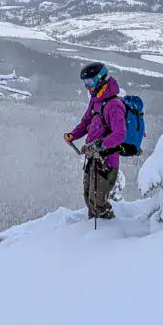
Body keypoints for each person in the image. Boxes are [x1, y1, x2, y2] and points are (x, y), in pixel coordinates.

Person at [64, 62, 126, 219]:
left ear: (101, 79)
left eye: (90, 82)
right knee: (89, 196)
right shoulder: (95, 101)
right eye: (85, 83)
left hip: (107, 162)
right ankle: (93, 234)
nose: (87, 87)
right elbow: (86, 123)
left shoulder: (114, 104)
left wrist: (100, 144)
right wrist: (73, 135)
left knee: (98, 202)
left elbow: (120, 135)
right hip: (92, 158)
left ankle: (107, 235)